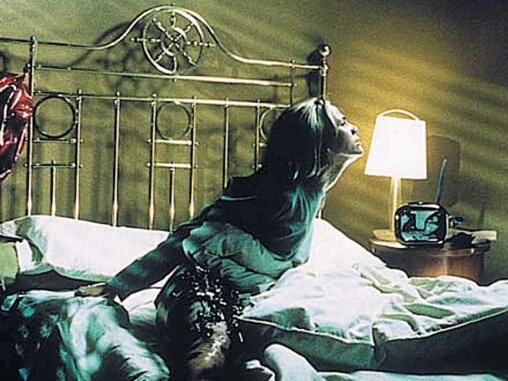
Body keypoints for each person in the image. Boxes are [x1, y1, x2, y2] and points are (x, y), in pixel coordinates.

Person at [76, 96, 363, 381]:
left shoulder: (312, 187)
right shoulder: (273, 194)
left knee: (232, 345)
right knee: (211, 345)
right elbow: (186, 239)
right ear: (319, 141)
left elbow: (323, 179)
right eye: (342, 123)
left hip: (243, 291)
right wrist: (117, 286)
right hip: (196, 287)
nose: (354, 128)